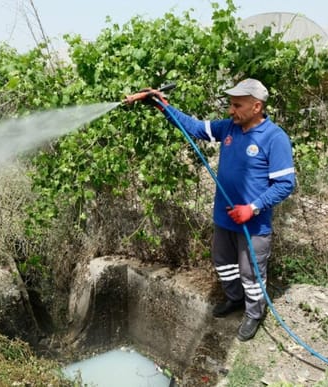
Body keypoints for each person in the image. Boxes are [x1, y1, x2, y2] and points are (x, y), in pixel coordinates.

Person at [125, 78, 295, 341]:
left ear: (257, 106)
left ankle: (253, 313)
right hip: (225, 219)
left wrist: (253, 208)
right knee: (224, 263)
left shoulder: (274, 138)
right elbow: (193, 127)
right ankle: (234, 299)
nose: (230, 110)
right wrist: (162, 105)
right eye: (231, 104)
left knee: (251, 272)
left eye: (237, 105)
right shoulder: (228, 128)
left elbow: (285, 184)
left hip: (253, 224)